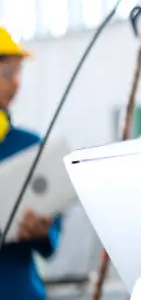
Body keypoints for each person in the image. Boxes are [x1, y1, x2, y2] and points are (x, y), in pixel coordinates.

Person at [0, 26, 61, 299]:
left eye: (18, 73)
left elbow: (52, 235)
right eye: (7, 74)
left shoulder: (29, 146)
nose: (16, 83)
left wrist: (42, 231)